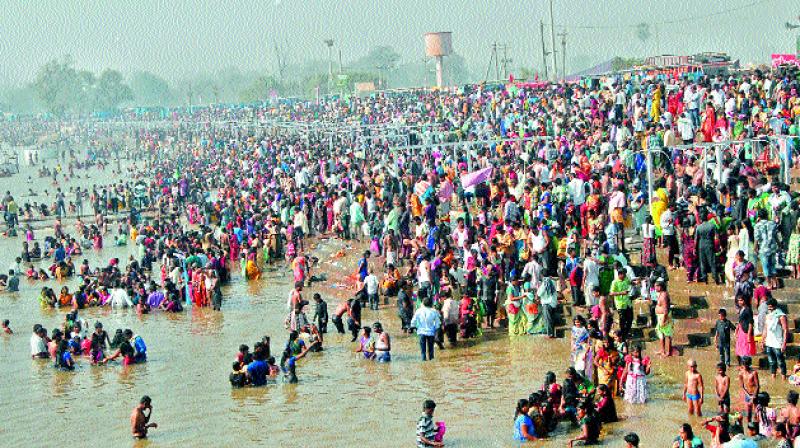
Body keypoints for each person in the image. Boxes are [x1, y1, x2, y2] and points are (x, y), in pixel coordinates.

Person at [762, 298, 788, 380]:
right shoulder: (768, 316)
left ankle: (783, 377)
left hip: (777, 342)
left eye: (771, 307)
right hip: (769, 342)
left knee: (780, 361)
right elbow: (765, 328)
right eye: (768, 307)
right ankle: (773, 377)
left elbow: (785, 330)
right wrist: (763, 340)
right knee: (771, 361)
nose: (769, 309)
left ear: (775, 306)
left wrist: (784, 343)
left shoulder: (781, 316)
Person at [411, 297, 442, 361]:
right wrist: (436, 330)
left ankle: (424, 362)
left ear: (423, 303)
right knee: (431, 351)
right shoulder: (434, 311)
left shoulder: (419, 311)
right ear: (431, 303)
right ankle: (431, 363)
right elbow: (438, 324)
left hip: (421, 332)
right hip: (431, 333)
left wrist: (414, 327)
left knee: (423, 352)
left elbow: (413, 322)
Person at [738, 357, 760, 422]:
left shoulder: (754, 373)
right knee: (748, 414)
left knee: (756, 414)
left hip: (755, 394)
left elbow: (757, 386)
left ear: (749, 364)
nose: (745, 365)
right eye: (743, 364)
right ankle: (749, 428)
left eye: (746, 364)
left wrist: (754, 396)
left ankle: (757, 427)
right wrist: (748, 395)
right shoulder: (741, 373)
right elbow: (742, 386)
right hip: (747, 395)